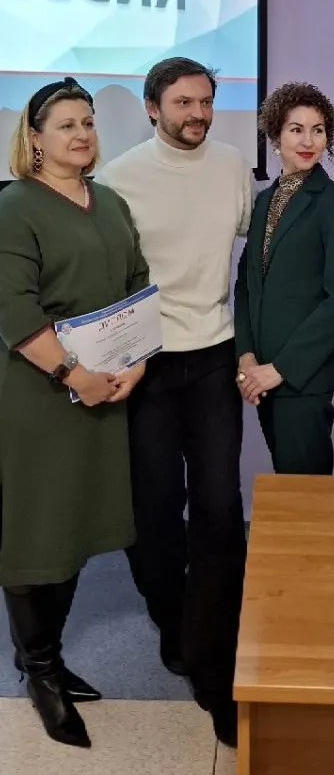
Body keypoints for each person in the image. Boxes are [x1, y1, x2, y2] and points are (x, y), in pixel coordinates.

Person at [101, 56, 252, 748]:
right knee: (156, 510)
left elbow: (257, 253)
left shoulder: (232, 168)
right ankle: (172, 621)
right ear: (152, 107)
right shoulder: (120, 178)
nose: (198, 114)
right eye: (184, 102)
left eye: (206, 102)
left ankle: (212, 645)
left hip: (215, 354)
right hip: (149, 365)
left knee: (220, 508)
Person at [0, 77, 149, 750]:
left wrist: (136, 361)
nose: (82, 133)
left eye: (87, 121)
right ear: (34, 138)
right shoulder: (15, 208)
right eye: (65, 124)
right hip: (39, 398)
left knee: (76, 525)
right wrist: (71, 374)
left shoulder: (110, 202)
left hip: (104, 391)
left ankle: (48, 655)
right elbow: (13, 308)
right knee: (36, 533)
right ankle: (40, 672)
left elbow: (137, 283)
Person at [234, 82, 334, 475]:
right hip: (262, 375)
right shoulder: (264, 201)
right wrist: (247, 357)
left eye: (318, 130)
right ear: (275, 137)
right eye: (296, 129)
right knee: (288, 492)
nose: (308, 141)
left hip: (303, 380)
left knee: (309, 498)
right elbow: (247, 286)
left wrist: (281, 369)